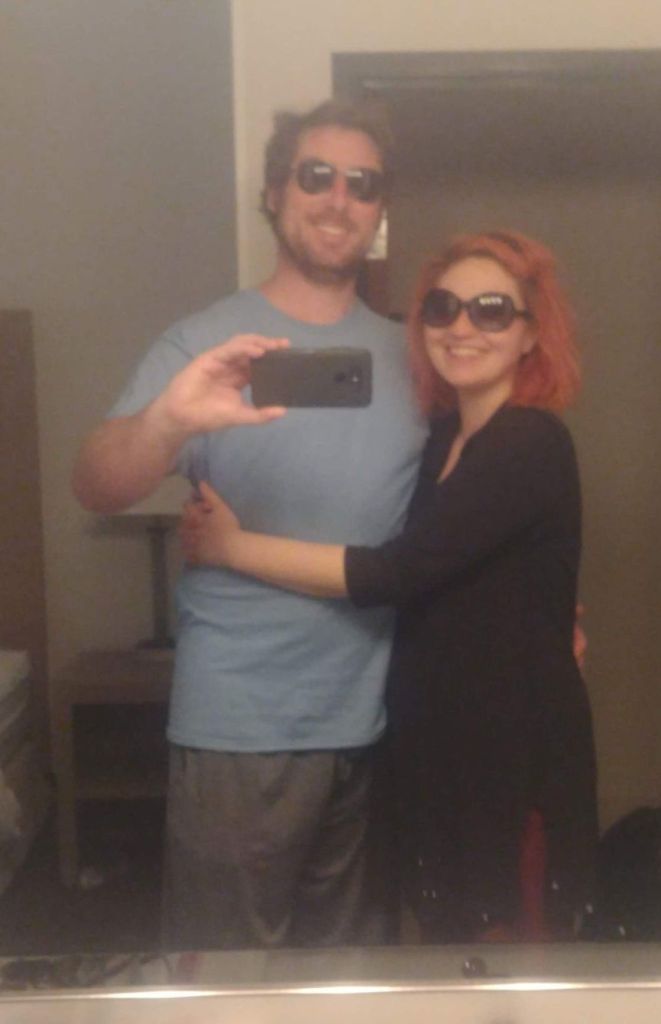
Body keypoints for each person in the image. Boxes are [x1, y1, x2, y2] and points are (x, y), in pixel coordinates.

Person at [71, 99, 427, 949]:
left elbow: (462, 515)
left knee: (351, 990)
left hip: (375, 727)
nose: (337, 199)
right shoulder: (203, 344)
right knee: (224, 985)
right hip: (241, 730)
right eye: (316, 176)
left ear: (378, 208)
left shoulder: (414, 356)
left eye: (362, 184)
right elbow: (97, 484)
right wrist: (169, 421)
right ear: (274, 192)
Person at [180, 229, 599, 942]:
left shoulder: (528, 442)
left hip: (509, 751)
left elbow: (395, 571)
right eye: (442, 307)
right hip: (436, 741)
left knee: (507, 965)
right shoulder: (442, 438)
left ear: (531, 334)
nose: (462, 327)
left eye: (492, 310)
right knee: (442, 946)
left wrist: (232, 548)